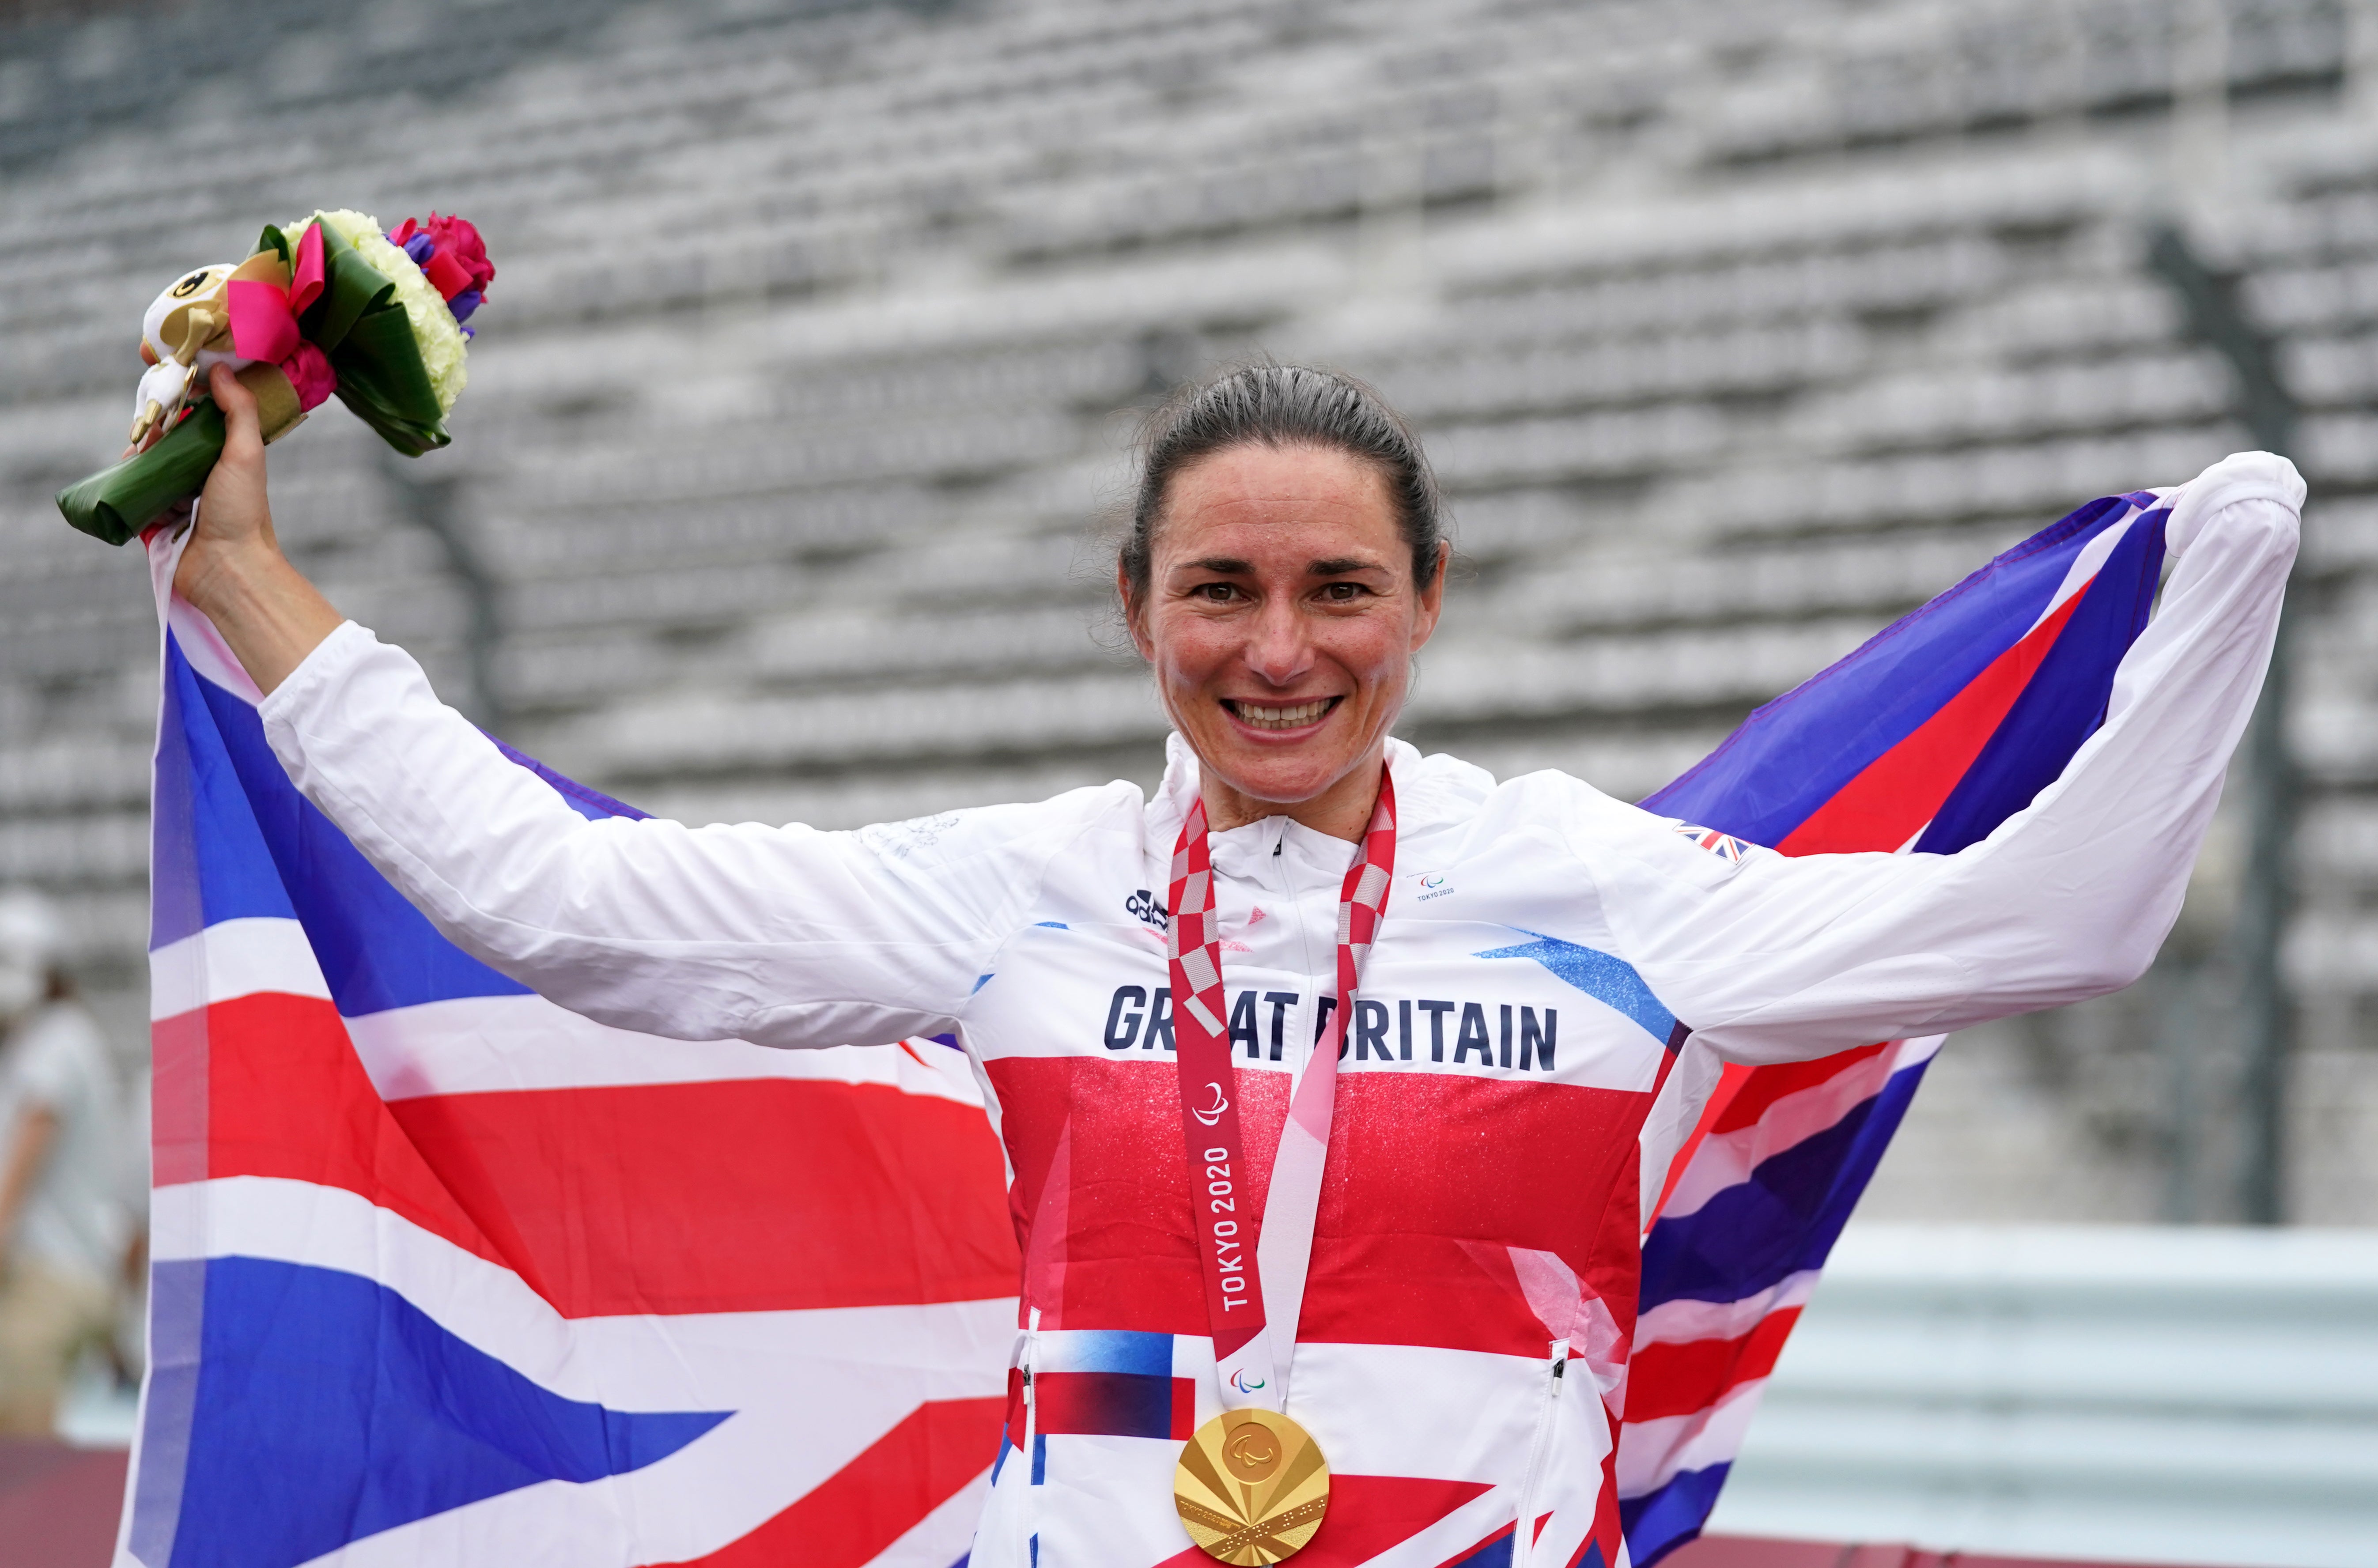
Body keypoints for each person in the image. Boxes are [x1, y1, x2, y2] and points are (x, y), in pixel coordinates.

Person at [174, 358, 2299, 1567]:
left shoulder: (1603, 882)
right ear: (1133, 609)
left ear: (1425, 600)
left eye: (1334, 589)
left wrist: (2229, 566)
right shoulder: (1022, 884)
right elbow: (574, 909)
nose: (1276, 650)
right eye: (1218, 589)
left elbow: (2064, 917)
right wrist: (262, 594)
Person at [0, 889, 126, 1437]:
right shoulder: (66, 1037)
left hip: (51, 1277)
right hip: (82, 1274)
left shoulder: (54, 1043)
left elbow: (26, 1156)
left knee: (22, 1452)